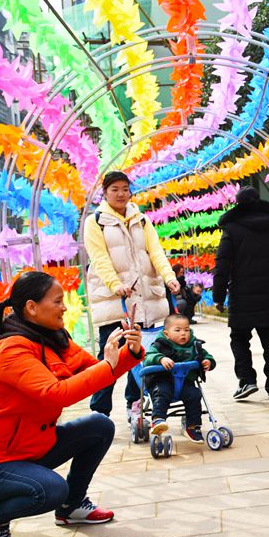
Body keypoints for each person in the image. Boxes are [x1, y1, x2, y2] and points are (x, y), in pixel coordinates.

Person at [0, 271, 144, 537]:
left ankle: (71, 506)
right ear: (32, 307)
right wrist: (107, 364)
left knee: (100, 424)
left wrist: (129, 352)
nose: (64, 307)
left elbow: (96, 372)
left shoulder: (55, 338)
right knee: (50, 490)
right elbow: (55, 392)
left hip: (35, 446)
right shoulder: (13, 349)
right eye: (58, 301)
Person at [84, 171, 180, 417]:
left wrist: (169, 277)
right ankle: (99, 411)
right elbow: (99, 258)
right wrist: (115, 285)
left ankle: (134, 404)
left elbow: (156, 252)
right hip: (115, 301)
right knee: (110, 356)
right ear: (105, 192)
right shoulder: (95, 222)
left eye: (125, 189)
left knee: (138, 354)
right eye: (114, 189)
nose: (120, 194)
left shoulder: (142, 220)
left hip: (145, 299)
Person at [212, 186, 269, 403]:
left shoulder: (232, 228)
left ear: (238, 204)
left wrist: (218, 296)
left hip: (242, 295)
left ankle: (247, 379)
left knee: (239, 339)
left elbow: (222, 265)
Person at [142, 314, 216, 443]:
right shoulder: (160, 345)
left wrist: (207, 361)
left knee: (194, 394)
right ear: (166, 333)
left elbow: (206, 355)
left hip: (185, 382)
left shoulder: (194, 345)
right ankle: (158, 420)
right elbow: (148, 357)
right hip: (163, 380)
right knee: (161, 392)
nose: (183, 334)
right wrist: (160, 359)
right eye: (178, 330)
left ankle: (192, 427)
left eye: (186, 330)